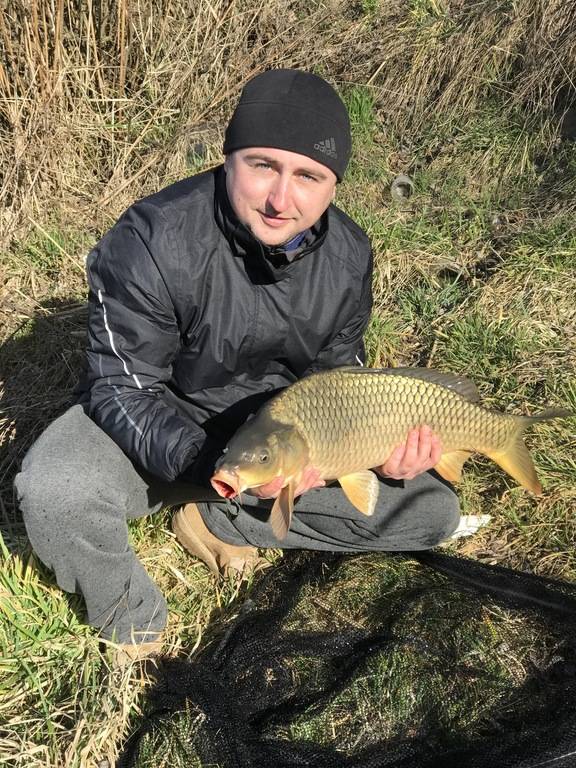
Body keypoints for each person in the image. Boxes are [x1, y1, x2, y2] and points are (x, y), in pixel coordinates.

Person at [15, 69, 460, 658]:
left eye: (309, 176)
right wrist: (214, 465)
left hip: (284, 436)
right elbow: (120, 389)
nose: (282, 199)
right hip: (159, 425)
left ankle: (217, 521)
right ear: (228, 159)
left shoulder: (350, 256)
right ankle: (135, 623)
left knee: (431, 511)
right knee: (54, 490)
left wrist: (381, 452)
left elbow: (338, 381)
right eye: (262, 166)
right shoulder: (152, 238)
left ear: (333, 185)